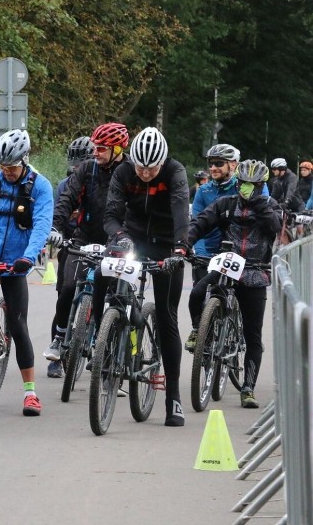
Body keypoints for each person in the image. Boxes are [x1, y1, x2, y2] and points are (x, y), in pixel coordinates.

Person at [102, 126, 189, 427]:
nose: (145, 172)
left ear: (162, 162)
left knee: (166, 317)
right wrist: (120, 237)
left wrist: (180, 250)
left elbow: (181, 214)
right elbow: (111, 214)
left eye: (151, 167)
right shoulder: (125, 171)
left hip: (166, 243)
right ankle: (106, 344)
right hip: (133, 238)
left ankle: (173, 398)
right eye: (140, 166)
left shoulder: (175, 172)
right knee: (108, 285)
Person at [0, 129, 53, 416]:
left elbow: (41, 225)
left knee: (17, 325)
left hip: (15, 263)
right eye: (3, 167)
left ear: (25, 160)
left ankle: (30, 393)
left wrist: (28, 259)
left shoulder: (40, 187)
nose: (8, 172)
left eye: (13, 167)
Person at [187, 160, 280, 408]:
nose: (247, 188)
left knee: (253, 334)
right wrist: (184, 243)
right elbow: (200, 223)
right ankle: (199, 330)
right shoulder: (225, 204)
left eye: (253, 185)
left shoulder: (269, 206)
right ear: (237, 183)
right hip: (226, 266)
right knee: (196, 292)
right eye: (243, 184)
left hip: (255, 272)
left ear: (261, 186)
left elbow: (275, 227)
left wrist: (258, 203)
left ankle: (248, 388)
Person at [44, 123, 130, 378]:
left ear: (118, 149)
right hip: (84, 238)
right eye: (96, 147)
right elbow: (67, 198)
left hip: (117, 242)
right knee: (68, 287)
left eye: (102, 148)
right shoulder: (87, 169)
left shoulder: (131, 173)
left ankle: (109, 352)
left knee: (117, 299)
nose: (97, 152)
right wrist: (56, 228)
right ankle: (59, 339)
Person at [188, 144, 242, 288]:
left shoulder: (243, 188)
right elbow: (196, 223)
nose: (212, 168)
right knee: (197, 297)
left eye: (218, 163)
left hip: (235, 252)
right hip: (207, 251)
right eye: (211, 164)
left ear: (233, 164)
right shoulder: (203, 191)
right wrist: (199, 252)